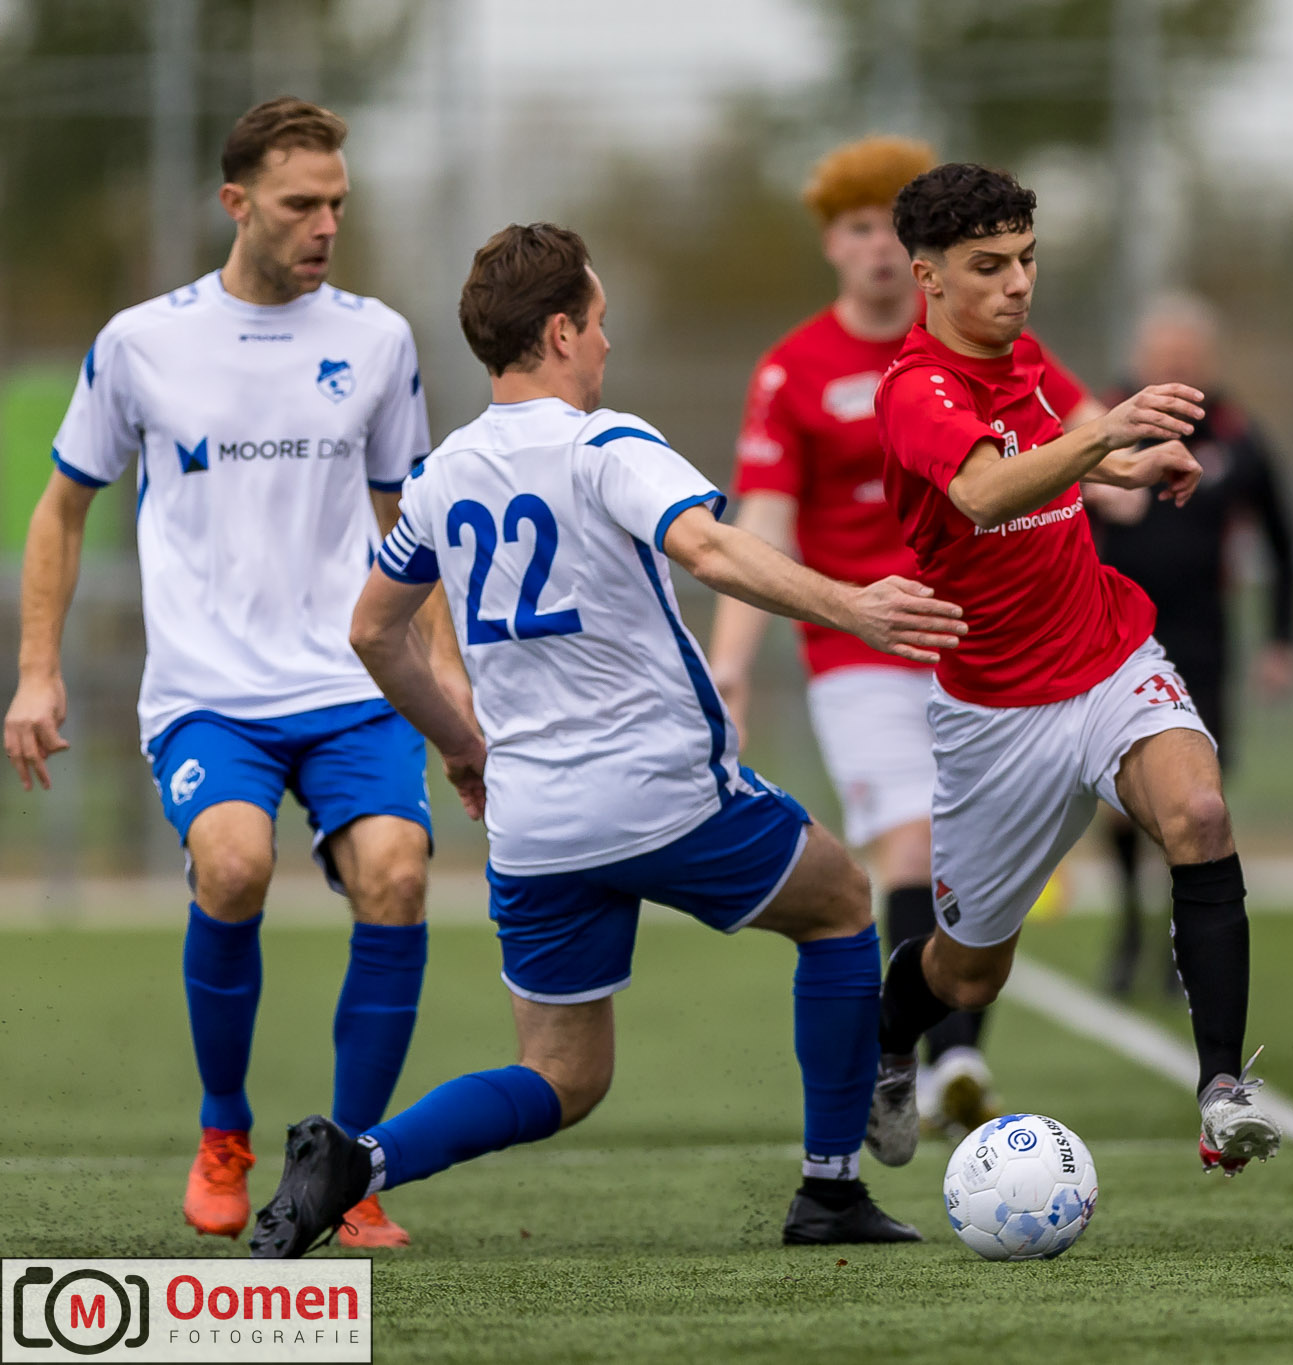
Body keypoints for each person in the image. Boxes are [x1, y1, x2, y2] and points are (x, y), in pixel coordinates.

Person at [248, 223, 966, 1257]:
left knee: (563, 1075)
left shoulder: (442, 475)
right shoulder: (606, 444)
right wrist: (856, 606)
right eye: (597, 321)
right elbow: (707, 545)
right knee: (842, 902)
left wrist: (461, 745)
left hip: (534, 823)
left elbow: (372, 631)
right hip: (662, 792)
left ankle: (359, 1162)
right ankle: (830, 1189)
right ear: (558, 331)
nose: (607, 342)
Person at [2, 98, 458, 1249]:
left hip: (351, 688)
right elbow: (61, 510)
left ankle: (348, 1167)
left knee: (398, 875)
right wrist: (38, 672)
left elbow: (410, 526)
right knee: (235, 863)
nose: (325, 224)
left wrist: (449, 692)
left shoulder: (379, 339)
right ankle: (223, 1130)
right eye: (301, 203)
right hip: (209, 695)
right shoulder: (142, 342)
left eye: (337, 203)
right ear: (236, 203)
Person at [863, 162, 1284, 1178]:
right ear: (927, 276)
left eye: (1027, 259)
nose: (1017, 283)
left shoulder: (1027, 356)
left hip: (1105, 656)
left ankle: (1222, 1093)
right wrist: (1107, 434)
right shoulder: (915, 390)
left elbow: (1070, 442)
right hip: (995, 714)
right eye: (989, 265)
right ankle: (885, 1044)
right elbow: (985, 491)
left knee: (1199, 814)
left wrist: (1130, 463)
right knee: (968, 973)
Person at [708, 136, 1001, 1134]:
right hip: (857, 654)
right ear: (833, 241)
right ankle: (948, 1060)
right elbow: (760, 526)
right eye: (859, 226)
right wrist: (730, 667)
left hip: (979, 643)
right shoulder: (792, 371)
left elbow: (1063, 423)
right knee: (911, 841)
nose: (879, 247)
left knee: (980, 856)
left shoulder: (967, 345)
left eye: (895, 228)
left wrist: (1124, 455)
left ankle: (925, 1050)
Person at [1086, 293, 1293, 997]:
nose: (1176, 366)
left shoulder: (1238, 436)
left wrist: (1282, 640)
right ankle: (1128, 928)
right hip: (1113, 638)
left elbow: (1285, 540)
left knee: (1198, 800)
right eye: (1164, 354)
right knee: (1123, 799)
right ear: (1140, 358)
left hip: (1203, 639)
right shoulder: (1099, 423)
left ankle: (1181, 944)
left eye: (1189, 355)